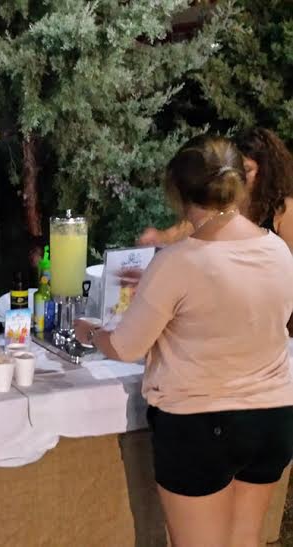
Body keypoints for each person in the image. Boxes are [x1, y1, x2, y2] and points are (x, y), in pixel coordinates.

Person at [75, 135, 293, 547]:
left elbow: (126, 347)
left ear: (177, 192)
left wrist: (89, 332)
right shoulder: (279, 252)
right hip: (272, 418)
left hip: (202, 423)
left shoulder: (178, 262)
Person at [138, 127, 293, 251]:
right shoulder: (223, 201)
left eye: (246, 170)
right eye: (235, 170)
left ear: (267, 172)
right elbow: (191, 226)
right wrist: (161, 237)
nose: (238, 177)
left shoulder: (285, 211)